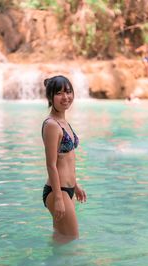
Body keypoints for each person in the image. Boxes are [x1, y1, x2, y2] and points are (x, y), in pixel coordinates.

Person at [42, 75, 87, 244]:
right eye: (59, 93)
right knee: (72, 240)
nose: (65, 97)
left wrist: (74, 185)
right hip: (57, 191)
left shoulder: (63, 121)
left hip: (66, 189)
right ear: (50, 97)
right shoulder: (52, 125)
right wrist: (59, 198)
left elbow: (67, 159)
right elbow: (51, 164)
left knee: (61, 239)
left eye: (68, 92)